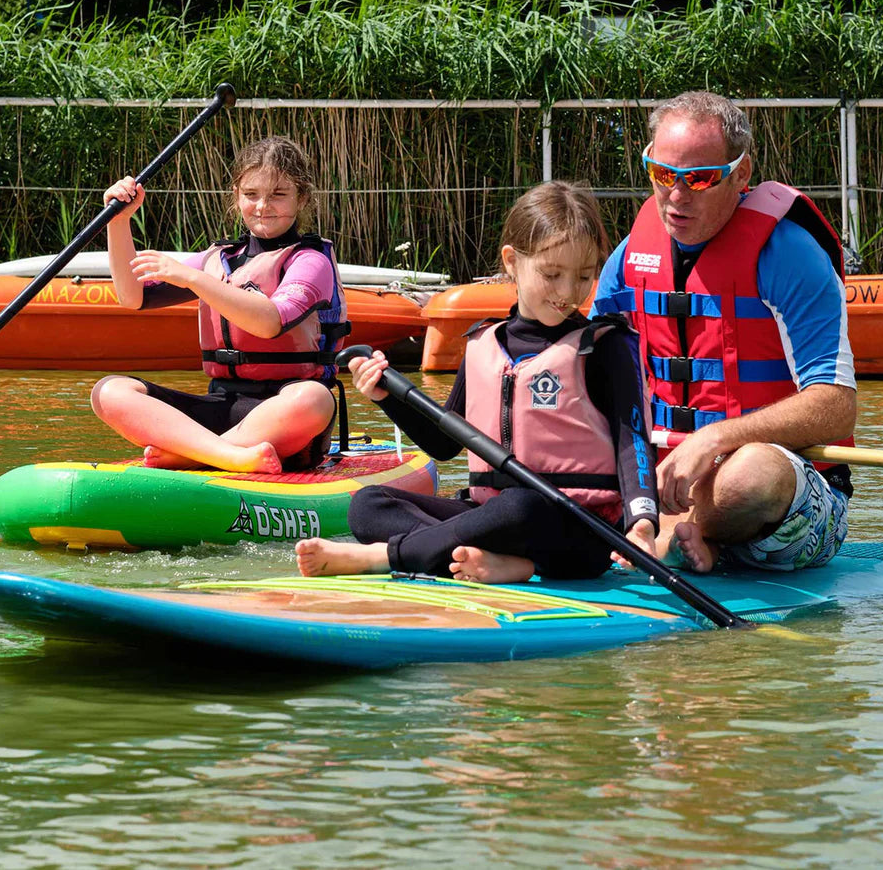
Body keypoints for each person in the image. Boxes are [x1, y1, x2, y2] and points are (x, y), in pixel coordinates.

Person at [295, 181, 659, 584]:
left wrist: (643, 520)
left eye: (583, 276)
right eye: (552, 274)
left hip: (578, 529)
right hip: (491, 520)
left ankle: (388, 556)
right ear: (511, 261)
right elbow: (445, 443)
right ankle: (493, 562)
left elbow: (634, 443)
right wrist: (386, 396)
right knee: (368, 503)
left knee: (521, 507)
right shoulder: (484, 342)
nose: (568, 292)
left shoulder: (603, 348)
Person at [590, 91, 856, 574]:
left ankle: (678, 534)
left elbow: (837, 408)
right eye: (662, 174)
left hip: (779, 504)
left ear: (742, 173)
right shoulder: (631, 256)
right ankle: (684, 537)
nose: (676, 195)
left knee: (750, 473)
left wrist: (712, 440)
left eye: (700, 179)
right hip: (654, 489)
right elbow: (583, 368)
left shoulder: (791, 257)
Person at [91, 136, 349, 473]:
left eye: (278, 195)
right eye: (251, 195)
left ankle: (193, 455)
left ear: (302, 199)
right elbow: (132, 296)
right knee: (110, 391)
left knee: (315, 399)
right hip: (222, 407)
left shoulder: (310, 261)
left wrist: (192, 279)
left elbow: (270, 322)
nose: (262, 206)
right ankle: (226, 455)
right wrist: (118, 222)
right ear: (236, 197)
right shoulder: (221, 259)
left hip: (283, 415)